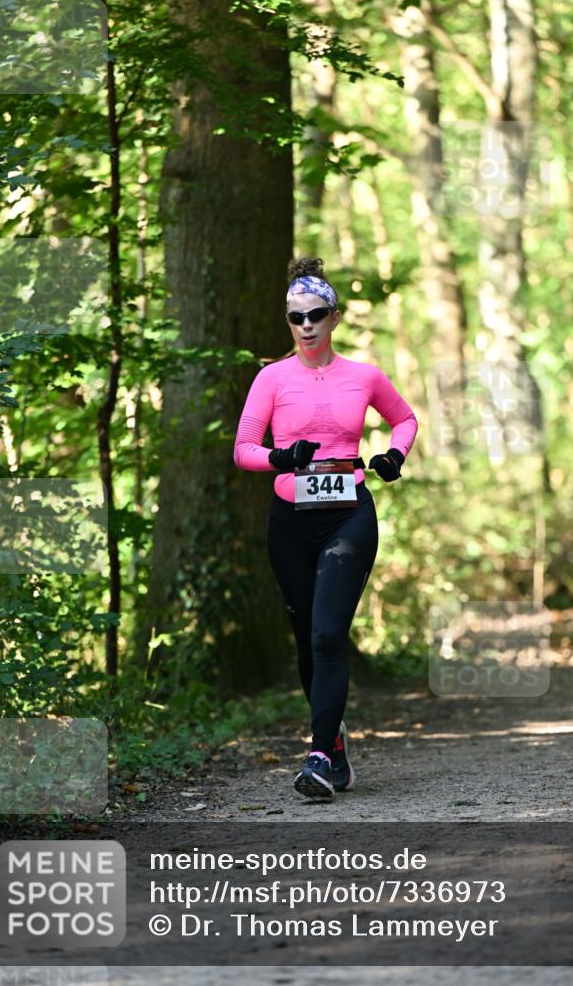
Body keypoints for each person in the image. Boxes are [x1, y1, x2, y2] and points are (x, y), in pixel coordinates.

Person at [233, 257, 418, 799]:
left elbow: (404, 418)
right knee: (306, 643)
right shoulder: (271, 379)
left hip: (348, 518)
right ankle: (332, 742)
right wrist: (282, 457)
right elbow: (244, 450)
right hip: (289, 524)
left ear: (334, 318)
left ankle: (316, 755)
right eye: (296, 317)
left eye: (316, 314)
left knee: (327, 634)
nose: (307, 325)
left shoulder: (364, 376)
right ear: (288, 322)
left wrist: (392, 456)